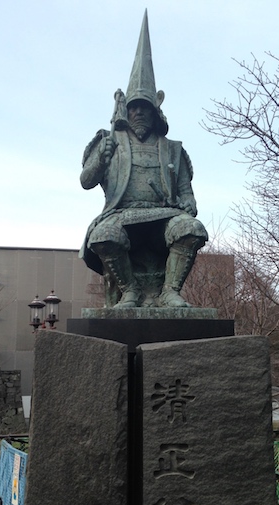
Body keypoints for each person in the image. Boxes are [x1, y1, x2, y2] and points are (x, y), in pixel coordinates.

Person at [80, 12, 207, 308]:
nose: (138, 113)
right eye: (134, 108)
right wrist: (101, 157)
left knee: (192, 228)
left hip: (163, 216)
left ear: (155, 112)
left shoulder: (173, 149)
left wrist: (187, 205)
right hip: (121, 215)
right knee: (103, 235)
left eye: (145, 108)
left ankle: (170, 291)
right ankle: (129, 291)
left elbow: (188, 195)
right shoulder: (109, 141)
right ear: (126, 110)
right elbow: (86, 181)